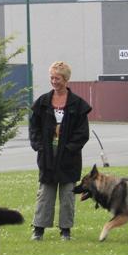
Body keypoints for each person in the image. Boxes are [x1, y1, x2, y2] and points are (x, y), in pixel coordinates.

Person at [28, 60, 92, 241]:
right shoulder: (42, 102)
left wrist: (69, 149)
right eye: (52, 78)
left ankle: (65, 230)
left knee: (67, 196)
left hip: (69, 159)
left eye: (57, 78)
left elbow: (82, 133)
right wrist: (39, 146)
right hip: (47, 156)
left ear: (66, 80)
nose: (54, 82)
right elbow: (34, 128)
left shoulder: (78, 105)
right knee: (45, 194)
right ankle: (38, 229)